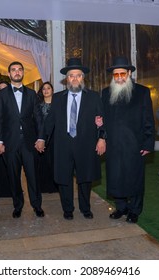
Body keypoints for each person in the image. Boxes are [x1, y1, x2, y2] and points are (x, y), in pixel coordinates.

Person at [44, 57, 106, 220]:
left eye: (78, 75)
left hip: (85, 145)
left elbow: (101, 120)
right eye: (72, 75)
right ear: (67, 79)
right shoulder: (57, 98)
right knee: (64, 179)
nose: (75, 78)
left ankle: (85, 208)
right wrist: (42, 138)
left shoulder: (93, 97)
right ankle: (68, 209)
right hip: (63, 145)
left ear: (83, 78)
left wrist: (102, 138)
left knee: (85, 179)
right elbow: (49, 122)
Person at [101, 56, 155, 223]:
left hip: (134, 145)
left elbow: (148, 120)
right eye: (115, 75)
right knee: (116, 177)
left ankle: (134, 210)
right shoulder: (105, 93)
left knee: (135, 179)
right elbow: (101, 118)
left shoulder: (142, 92)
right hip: (114, 145)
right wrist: (101, 132)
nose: (119, 78)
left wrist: (147, 143)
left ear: (129, 73)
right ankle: (121, 207)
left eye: (122, 74)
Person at [0, 61, 45, 219]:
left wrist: (41, 138)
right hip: (10, 143)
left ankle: (37, 205)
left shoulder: (32, 94)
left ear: (23, 73)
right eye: (13, 70)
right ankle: (18, 205)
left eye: (19, 70)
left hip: (29, 142)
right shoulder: (2, 95)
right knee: (13, 176)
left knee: (33, 176)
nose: (17, 72)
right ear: (9, 74)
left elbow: (39, 119)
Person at [36, 82, 58, 193]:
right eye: (44, 89)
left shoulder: (58, 104)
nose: (46, 90)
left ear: (52, 90)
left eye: (48, 88)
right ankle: (44, 187)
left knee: (55, 162)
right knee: (43, 162)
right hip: (42, 137)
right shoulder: (38, 106)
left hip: (56, 137)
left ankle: (56, 187)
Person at [0, 80, 11, 198]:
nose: (2, 91)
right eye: (0, 89)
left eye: (4, 88)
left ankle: (12, 190)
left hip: (10, 139)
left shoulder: (13, 103)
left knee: (11, 167)